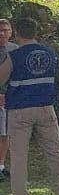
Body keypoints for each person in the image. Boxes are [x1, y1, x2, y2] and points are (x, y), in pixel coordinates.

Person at [0, 18, 59, 195]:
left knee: (19, 156)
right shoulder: (50, 53)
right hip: (46, 107)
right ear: (36, 32)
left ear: (17, 33)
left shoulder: (14, 55)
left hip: (20, 110)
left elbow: (1, 78)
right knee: (55, 151)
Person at [0, 18, 17, 181]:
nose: (2, 33)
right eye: (0, 30)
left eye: (6, 30)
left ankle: (1, 166)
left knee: (5, 134)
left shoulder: (15, 50)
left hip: (9, 99)